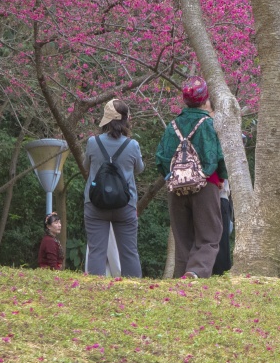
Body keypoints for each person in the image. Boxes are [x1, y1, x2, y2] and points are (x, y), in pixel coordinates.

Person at [156, 77, 226, 279]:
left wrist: (171, 176)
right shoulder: (209, 124)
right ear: (205, 99)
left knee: (182, 238)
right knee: (209, 235)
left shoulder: (172, 126)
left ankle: (181, 276)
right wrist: (221, 177)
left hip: (176, 187)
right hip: (205, 186)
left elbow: (160, 157)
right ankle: (196, 272)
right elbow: (219, 156)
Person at [84, 99, 144, 277]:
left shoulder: (93, 142)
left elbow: (86, 165)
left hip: (95, 204)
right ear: (126, 119)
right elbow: (139, 169)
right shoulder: (132, 145)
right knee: (129, 253)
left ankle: (95, 289)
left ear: (106, 120)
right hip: (125, 204)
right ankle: (133, 288)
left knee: (96, 252)